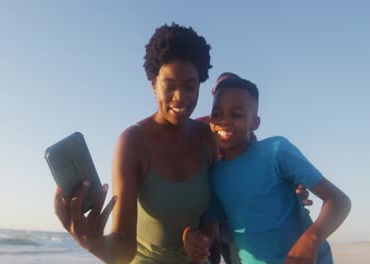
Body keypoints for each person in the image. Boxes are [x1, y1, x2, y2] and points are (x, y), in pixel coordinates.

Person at [54, 23, 217, 264]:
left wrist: (198, 240)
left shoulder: (207, 138)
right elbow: (123, 248)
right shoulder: (133, 142)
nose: (180, 96)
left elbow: (211, 221)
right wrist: (91, 242)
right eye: (169, 85)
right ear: (153, 85)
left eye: (189, 86)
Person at [185, 77, 351, 263]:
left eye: (236, 114)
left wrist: (310, 239)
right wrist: (190, 236)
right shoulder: (216, 175)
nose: (224, 121)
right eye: (217, 114)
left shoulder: (276, 151)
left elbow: (339, 202)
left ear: (255, 122)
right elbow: (209, 231)